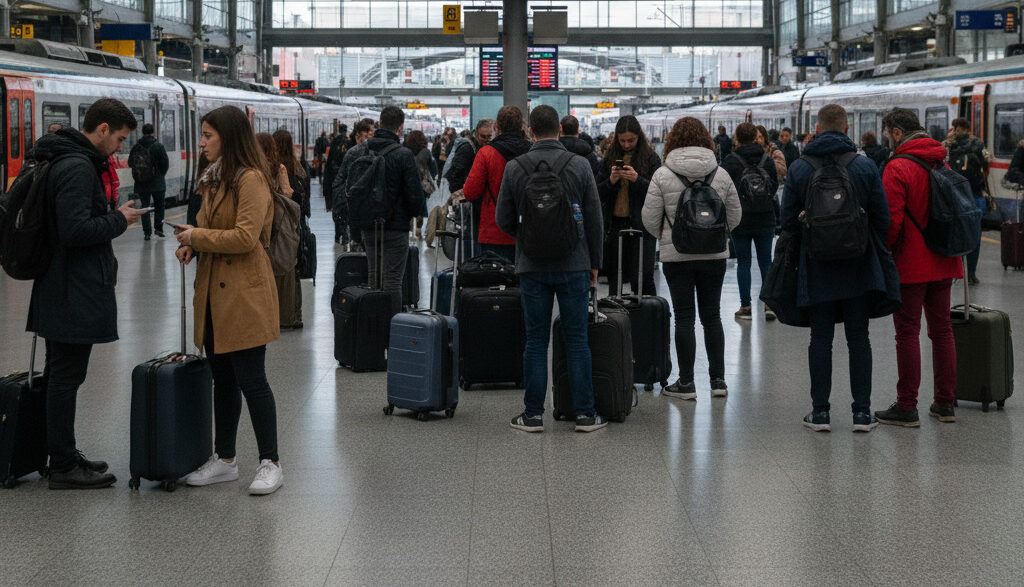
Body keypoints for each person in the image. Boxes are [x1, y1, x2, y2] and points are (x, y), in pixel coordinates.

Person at [27, 98, 146, 489]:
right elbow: (75, 231)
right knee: (66, 376)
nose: (120, 148)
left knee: (63, 373)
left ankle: (61, 452)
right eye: (120, 139)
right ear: (103, 129)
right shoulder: (78, 168)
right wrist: (119, 219)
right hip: (70, 288)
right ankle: (62, 464)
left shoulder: (71, 160)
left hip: (63, 285)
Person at [174, 105, 284, 495]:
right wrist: (193, 243)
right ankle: (225, 460)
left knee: (253, 380)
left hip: (244, 293)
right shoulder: (215, 179)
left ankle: (270, 462)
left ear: (229, 137)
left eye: (208, 135)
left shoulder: (250, 179)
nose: (201, 142)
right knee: (222, 378)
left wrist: (197, 238)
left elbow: (245, 237)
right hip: (214, 291)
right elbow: (209, 227)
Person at [495, 105, 607, 433]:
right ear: (559, 129)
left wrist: (527, 237)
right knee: (576, 338)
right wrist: (594, 262)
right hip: (574, 264)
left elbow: (503, 218)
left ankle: (532, 415)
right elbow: (594, 220)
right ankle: (585, 414)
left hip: (531, 265)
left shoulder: (515, 167)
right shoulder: (581, 165)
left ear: (530, 131)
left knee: (535, 340)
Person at [780, 104, 891, 433]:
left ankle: (820, 413)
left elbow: (786, 221)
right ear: (846, 129)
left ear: (816, 128)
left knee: (821, 339)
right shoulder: (865, 165)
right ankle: (862, 414)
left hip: (816, 267)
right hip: (858, 266)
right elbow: (883, 218)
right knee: (859, 338)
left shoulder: (800, 167)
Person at [641, 117, 742, 400]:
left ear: (673, 140)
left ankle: (686, 383)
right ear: (706, 140)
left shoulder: (662, 174)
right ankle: (718, 382)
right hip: (714, 256)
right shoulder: (720, 174)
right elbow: (735, 216)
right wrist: (715, 235)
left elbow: (649, 219)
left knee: (684, 316)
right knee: (712, 316)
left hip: (677, 256)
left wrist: (669, 236)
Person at [873, 108, 962, 427]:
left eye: (887, 134)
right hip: (945, 259)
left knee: (907, 332)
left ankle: (907, 405)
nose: (887, 141)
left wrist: (884, 253)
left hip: (910, 264)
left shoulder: (897, 167)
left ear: (897, 133)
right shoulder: (942, 160)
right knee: (942, 331)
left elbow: (892, 221)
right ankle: (945, 403)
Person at [351, 106, 424, 317]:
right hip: (396, 227)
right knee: (393, 280)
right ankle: (391, 329)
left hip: (368, 225)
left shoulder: (362, 150)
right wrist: (408, 216)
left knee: (374, 276)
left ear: (380, 124)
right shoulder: (404, 155)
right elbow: (415, 197)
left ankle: (373, 328)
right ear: (400, 128)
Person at [597, 115, 661, 298]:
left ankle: (648, 317)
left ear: (638, 137)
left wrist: (637, 180)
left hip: (643, 225)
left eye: (631, 140)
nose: (626, 145)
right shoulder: (609, 157)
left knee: (643, 276)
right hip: (615, 225)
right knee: (614, 276)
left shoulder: (650, 158)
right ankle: (616, 317)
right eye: (622, 140)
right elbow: (597, 192)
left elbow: (658, 192)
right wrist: (611, 180)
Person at [722, 122, 779, 320]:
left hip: (740, 219)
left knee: (744, 263)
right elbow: (773, 187)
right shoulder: (767, 159)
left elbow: (725, 189)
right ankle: (769, 305)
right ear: (756, 136)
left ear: (736, 137)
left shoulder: (730, 161)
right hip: (765, 217)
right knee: (766, 261)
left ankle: (745, 307)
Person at [463, 105, 532, 261]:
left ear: (496, 127)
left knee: (496, 280)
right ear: (522, 126)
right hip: (528, 229)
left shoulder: (486, 153)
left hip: (493, 229)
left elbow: (470, 192)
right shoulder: (532, 151)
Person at [255, 132, 298, 331]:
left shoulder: (252, 169)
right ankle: (282, 315)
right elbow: (288, 193)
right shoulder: (278, 167)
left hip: (259, 220)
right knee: (280, 264)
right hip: (277, 222)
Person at [944, 117, 991, 285]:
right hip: (976, 196)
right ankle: (971, 272)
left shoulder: (949, 145)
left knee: (955, 234)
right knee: (975, 236)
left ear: (956, 128)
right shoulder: (978, 144)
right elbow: (986, 167)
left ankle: (957, 271)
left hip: (956, 196)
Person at [273, 128, 310, 329]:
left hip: (279, 226)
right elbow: (305, 205)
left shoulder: (273, 169)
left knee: (277, 269)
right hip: (298, 226)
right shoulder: (301, 168)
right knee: (293, 270)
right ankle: (296, 314)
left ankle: (278, 314)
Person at [332, 118, 376, 250]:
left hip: (354, 207)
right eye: (372, 133)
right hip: (357, 207)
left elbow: (338, 181)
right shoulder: (354, 153)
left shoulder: (352, 151)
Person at [133, 123, 170, 242]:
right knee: (159, 206)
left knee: (145, 208)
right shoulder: (158, 146)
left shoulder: (136, 147)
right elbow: (165, 164)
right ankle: (158, 229)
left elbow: (130, 163)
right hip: (157, 183)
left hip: (141, 183)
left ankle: (147, 233)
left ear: (142, 132)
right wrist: (160, 175)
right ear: (153, 132)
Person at [404, 130, 435, 239]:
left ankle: (411, 223)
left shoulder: (406, 151)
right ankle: (418, 228)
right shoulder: (426, 152)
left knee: (410, 204)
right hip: (422, 183)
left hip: (408, 182)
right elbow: (432, 169)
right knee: (421, 205)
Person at [323, 124, 348, 243]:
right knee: (344, 208)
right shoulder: (347, 143)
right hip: (344, 180)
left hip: (335, 179)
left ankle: (338, 233)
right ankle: (344, 233)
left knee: (337, 207)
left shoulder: (334, 142)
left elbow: (329, 162)